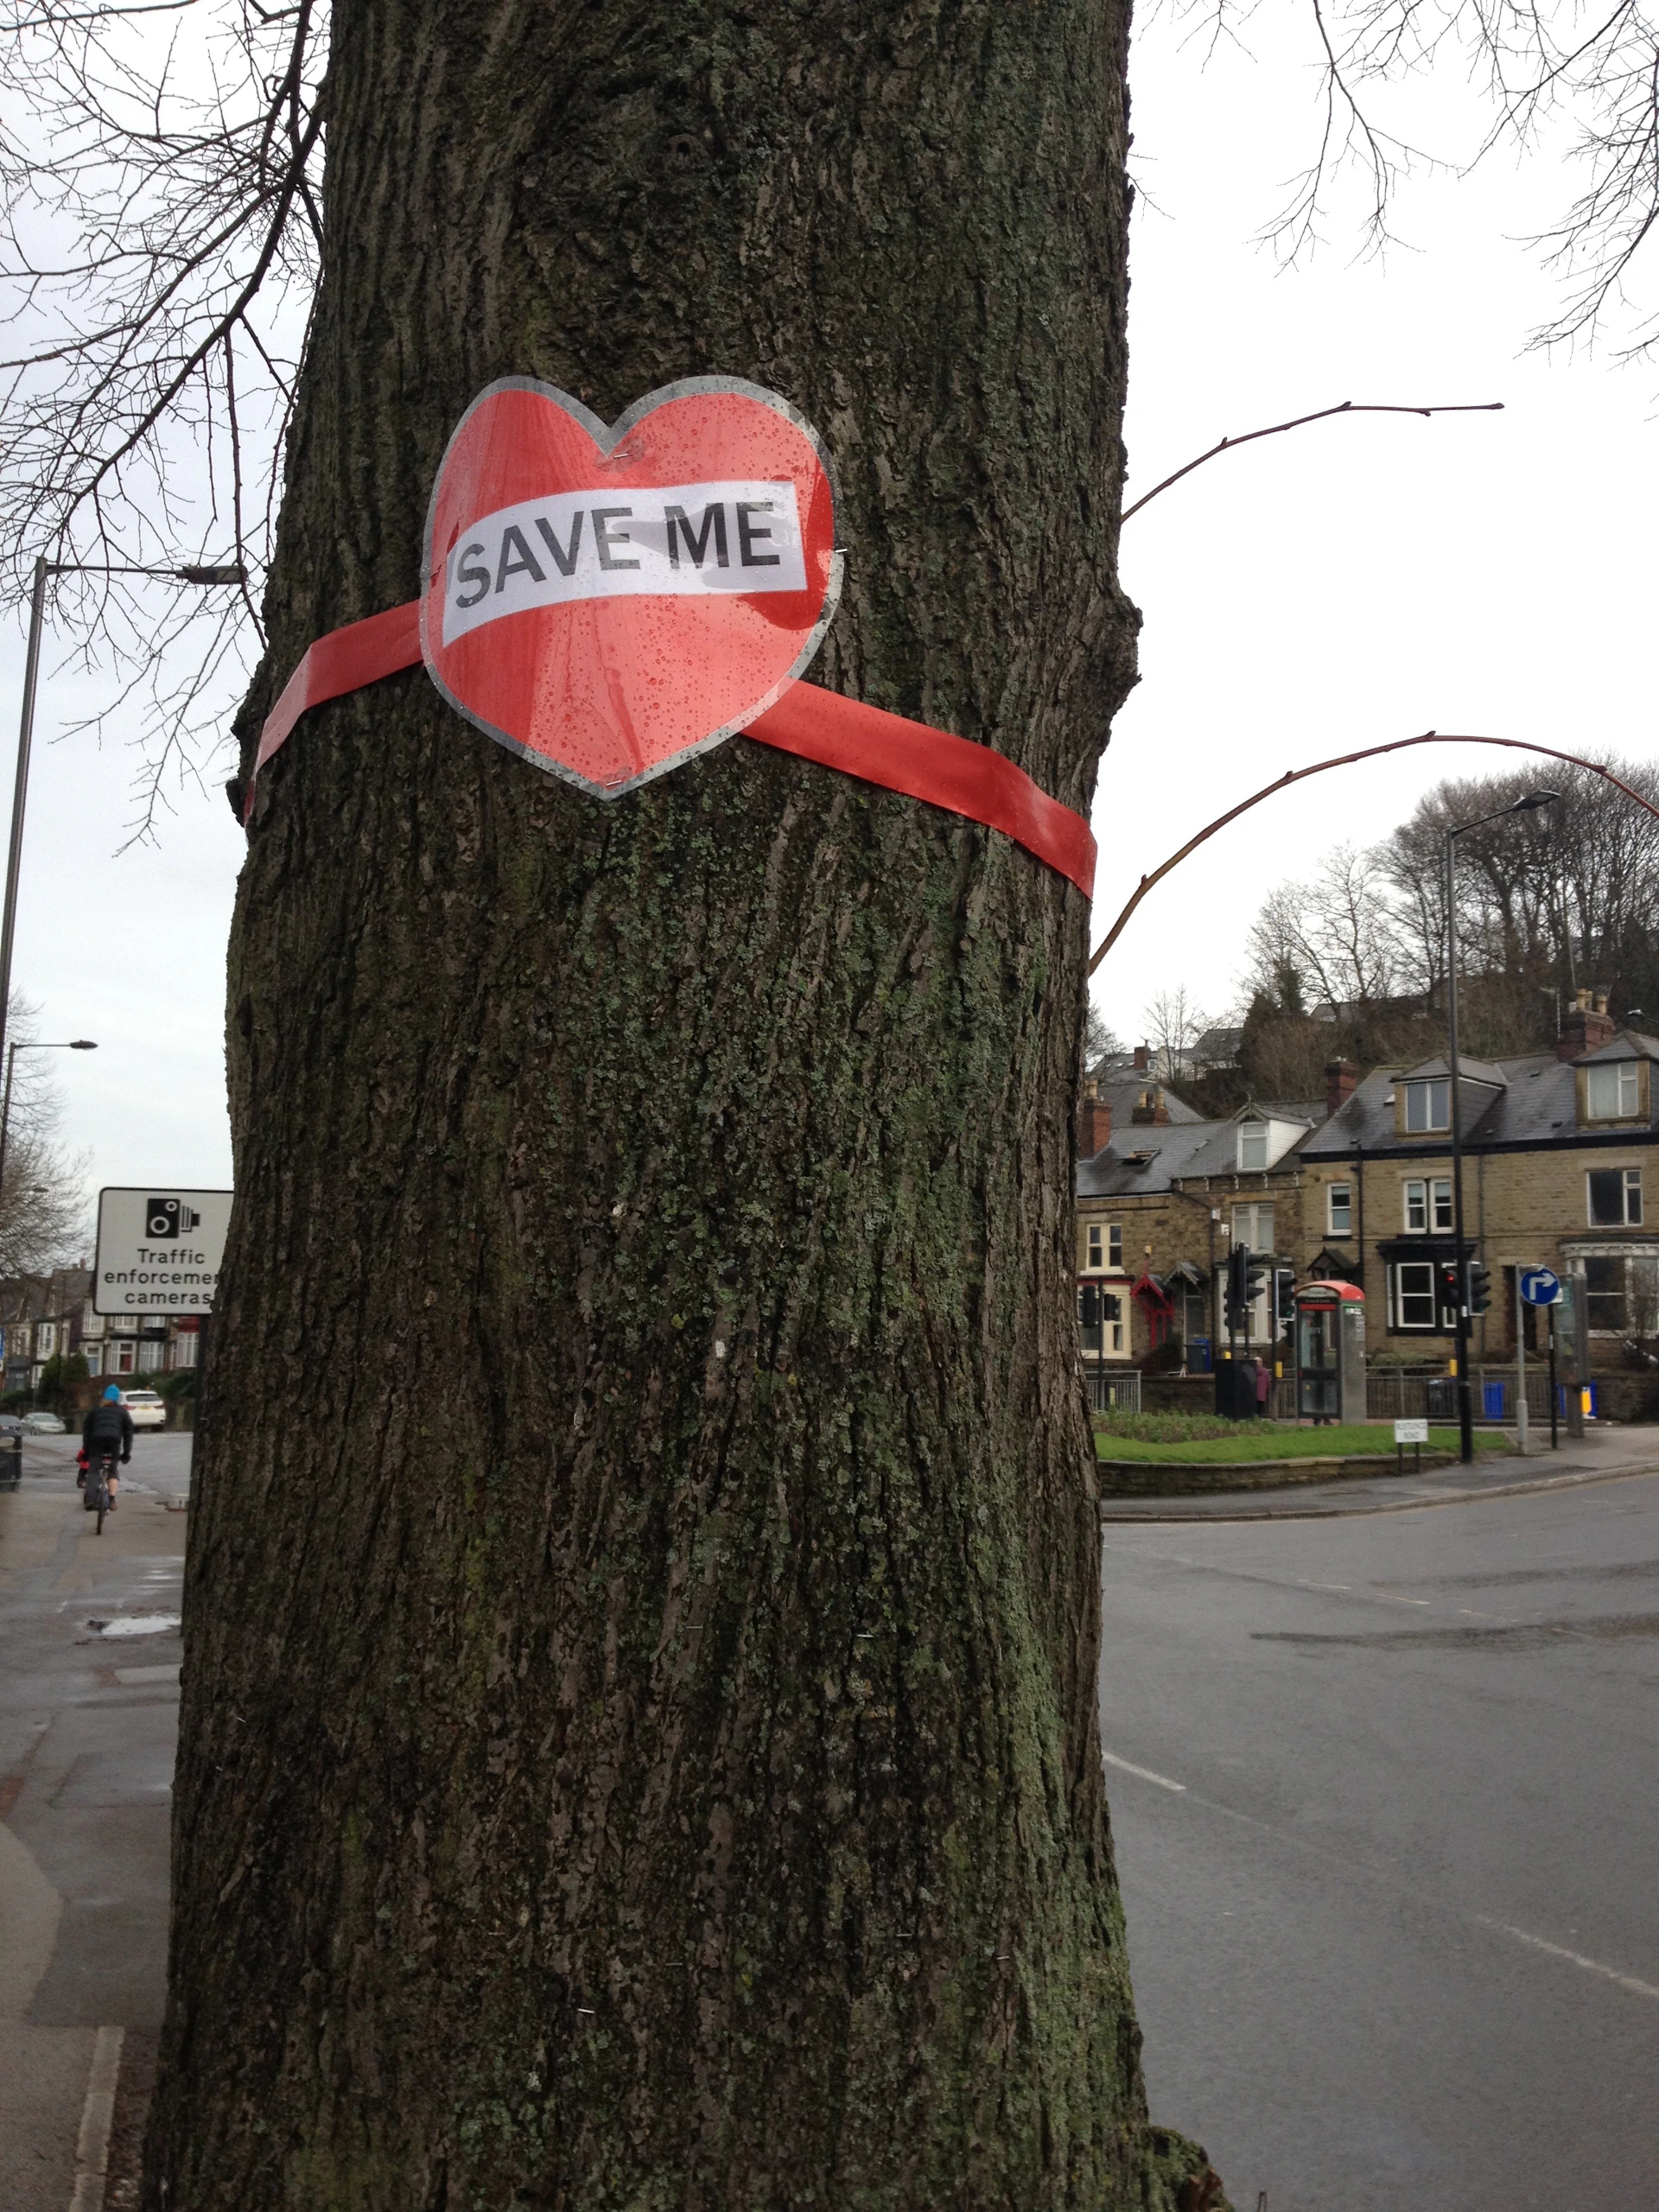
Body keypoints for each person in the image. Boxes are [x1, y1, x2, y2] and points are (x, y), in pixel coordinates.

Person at [80, 1384, 133, 1510]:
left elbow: (87, 1432)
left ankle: (90, 1499)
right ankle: (112, 1500)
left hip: (96, 1442)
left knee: (93, 1471)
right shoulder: (122, 1412)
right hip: (114, 1442)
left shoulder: (95, 1411)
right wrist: (126, 1453)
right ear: (117, 1399)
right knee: (113, 1471)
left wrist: (86, 1451)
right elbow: (128, 1434)